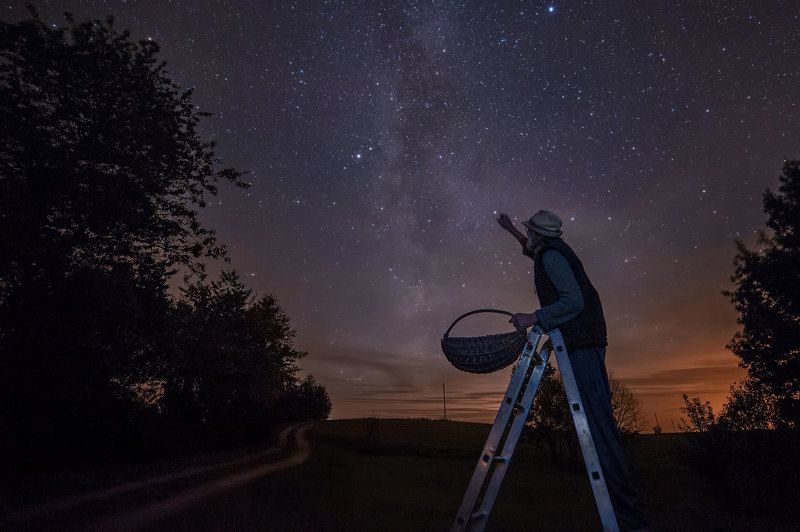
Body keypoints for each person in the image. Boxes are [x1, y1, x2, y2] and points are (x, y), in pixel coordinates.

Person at [496, 209, 650, 532]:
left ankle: (632, 522)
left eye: (529, 231)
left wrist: (533, 317)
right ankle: (628, 516)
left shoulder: (552, 258)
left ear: (542, 235)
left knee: (600, 428)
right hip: (582, 341)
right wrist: (510, 229)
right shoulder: (547, 250)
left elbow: (574, 301)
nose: (528, 235)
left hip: (583, 343)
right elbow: (531, 247)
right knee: (597, 425)